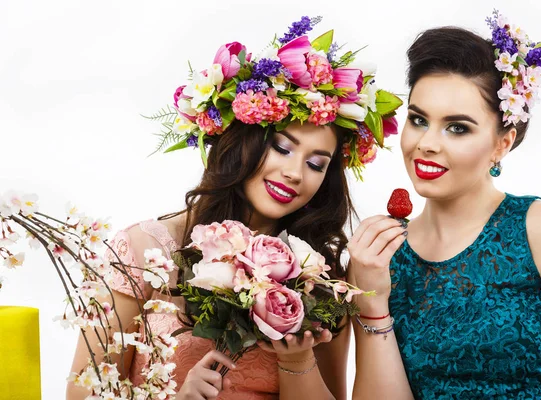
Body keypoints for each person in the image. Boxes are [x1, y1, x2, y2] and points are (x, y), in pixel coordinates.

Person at [66, 16, 402, 400]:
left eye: (315, 164)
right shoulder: (143, 252)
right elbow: (83, 393)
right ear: (242, 139)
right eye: (282, 147)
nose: (295, 173)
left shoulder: (321, 280)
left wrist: (296, 361)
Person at [349, 11, 541, 399]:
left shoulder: (540, 227)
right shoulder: (379, 256)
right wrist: (373, 301)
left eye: (458, 127)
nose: (427, 143)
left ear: (503, 143)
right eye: (418, 120)